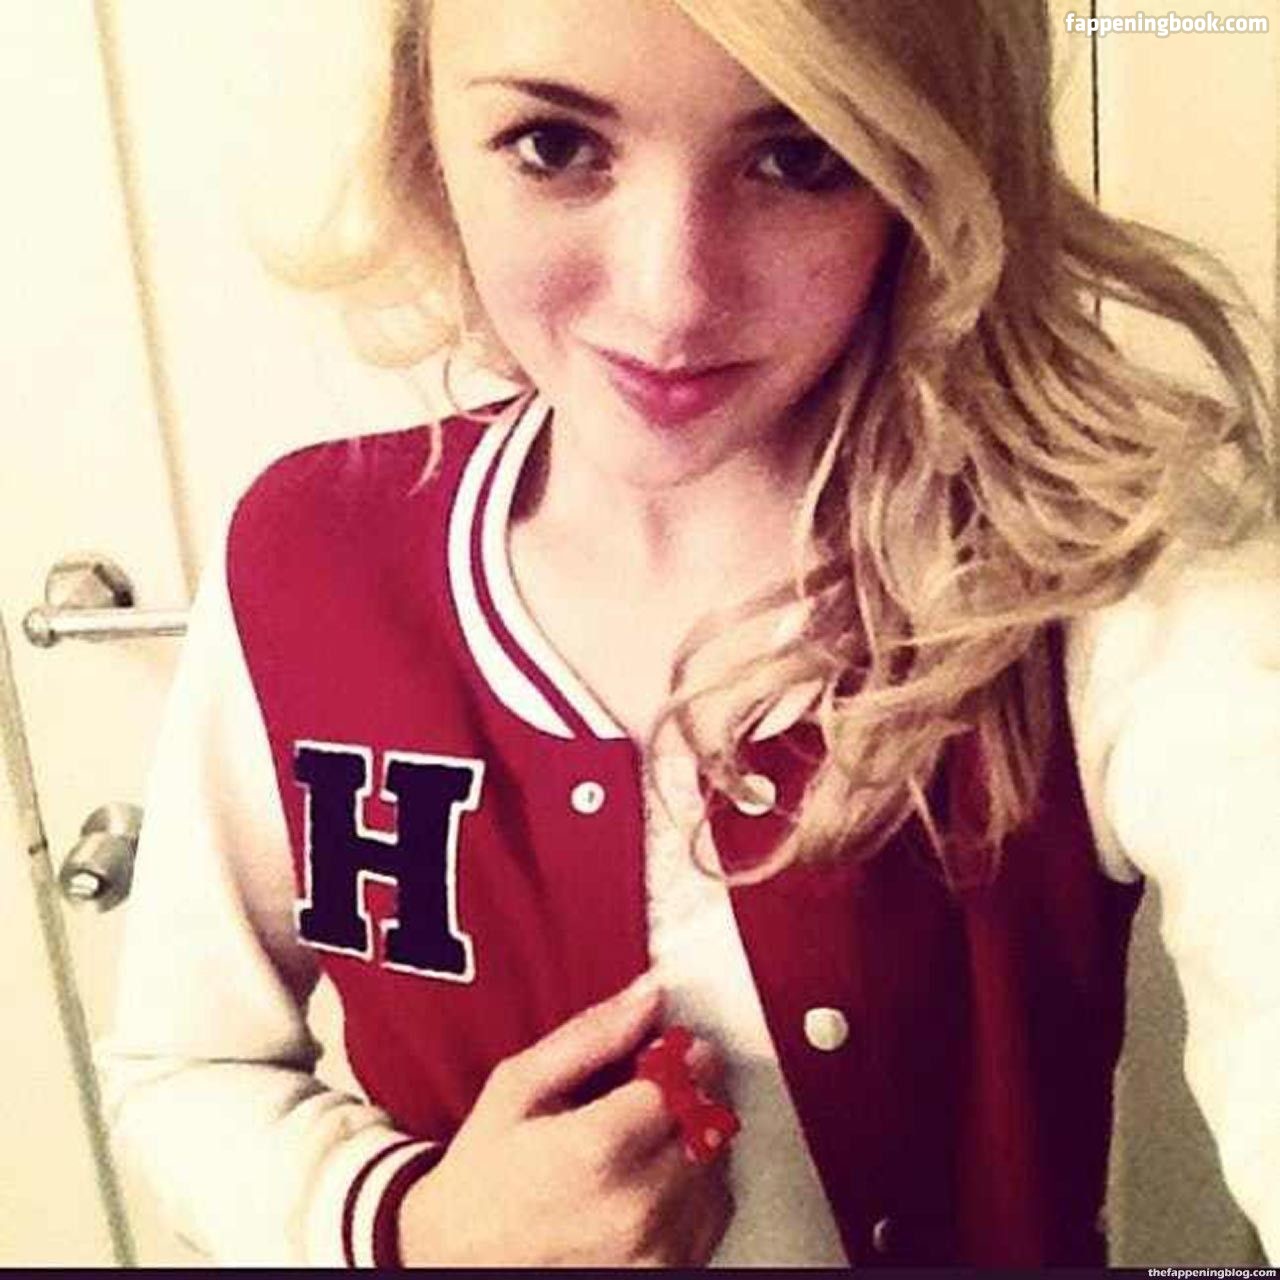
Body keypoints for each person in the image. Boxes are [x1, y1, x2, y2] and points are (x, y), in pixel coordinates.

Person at [98, 0, 1280, 1267]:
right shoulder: (309, 562)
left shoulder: (1103, 580)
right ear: (422, 129)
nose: (671, 297)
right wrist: (413, 1224)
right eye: (555, 146)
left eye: (801, 156)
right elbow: (184, 1063)